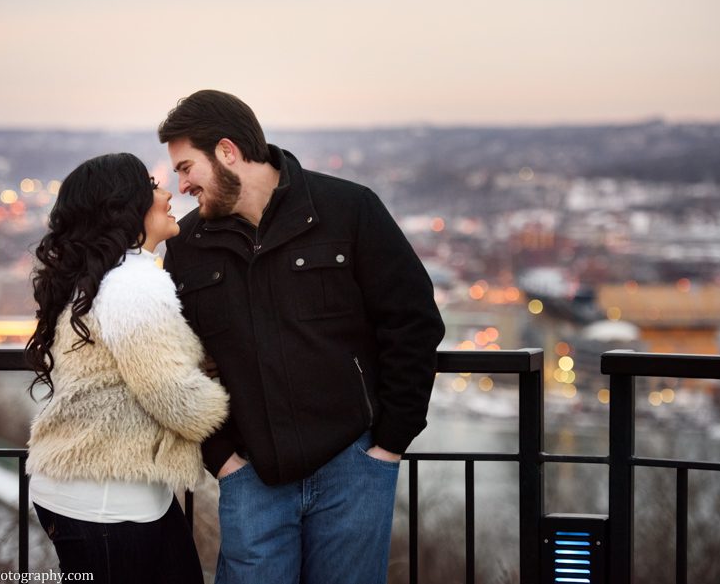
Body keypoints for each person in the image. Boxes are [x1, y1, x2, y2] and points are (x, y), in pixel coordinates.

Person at [158, 90, 445, 584]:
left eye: (186, 168)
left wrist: (389, 446)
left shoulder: (348, 210)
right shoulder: (189, 248)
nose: (181, 185)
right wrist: (223, 460)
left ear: (227, 151)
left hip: (354, 467)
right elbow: (178, 365)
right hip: (252, 476)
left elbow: (412, 321)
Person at [24, 152, 229, 583]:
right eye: (153, 188)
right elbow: (177, 400)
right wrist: (237, 407)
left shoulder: (102, 278)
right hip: (108, 504)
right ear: (125, 207)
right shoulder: (133, 283)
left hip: (95, 491)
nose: (167, 193)